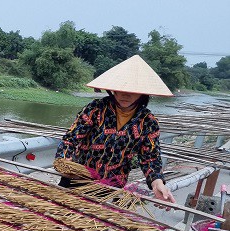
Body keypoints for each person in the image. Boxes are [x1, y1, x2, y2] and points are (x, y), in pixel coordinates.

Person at [55, 55, 176, 204]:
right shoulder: (96, 109)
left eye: (133, 90)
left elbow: (150, 158)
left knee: (94, 223)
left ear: (143, 93)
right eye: (120, 88)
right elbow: (71, 138)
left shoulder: (148, 122)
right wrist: (64, 161)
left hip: (110, 187)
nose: (125, 94)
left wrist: (157, 183)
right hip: (77, 178)